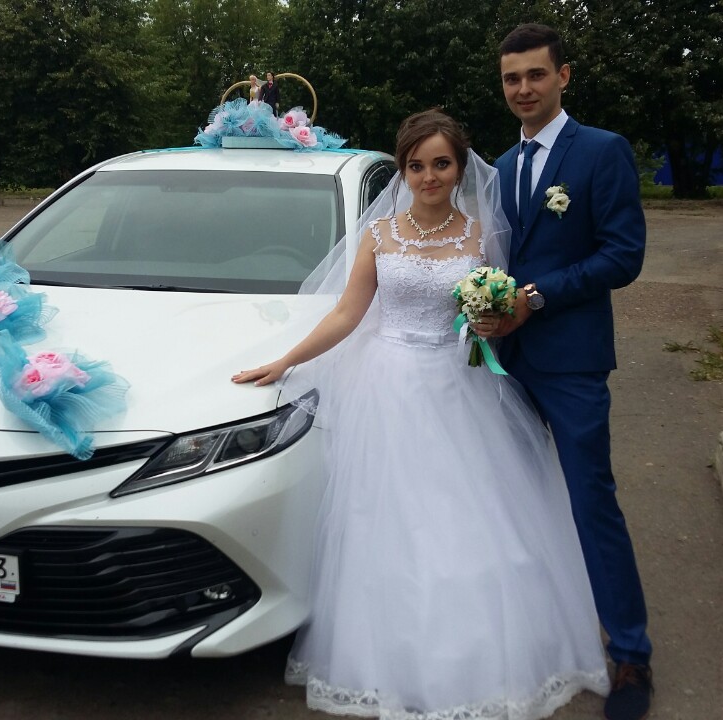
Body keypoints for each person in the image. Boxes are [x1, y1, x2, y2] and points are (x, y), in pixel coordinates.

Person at [233, 109, 609, 719]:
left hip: (461, 387)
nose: (429, 176)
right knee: (385, 522)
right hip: (388, 389)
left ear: (459, 168)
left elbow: (500, 309)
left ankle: (478, 655)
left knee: (469, 518)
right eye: (416, 165)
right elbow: (346, 314)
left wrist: (491, 317)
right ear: (403, 170)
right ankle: (390, 656)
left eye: (441, 164)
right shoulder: (379, 234)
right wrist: (284, 361)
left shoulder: (481, 236)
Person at [476, 23, 653, 720]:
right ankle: (539, 633)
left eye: (535, 75)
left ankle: (630, 653)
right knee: (513, 501)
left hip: (572, 362)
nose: (523, 88)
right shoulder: (499, 166)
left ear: (563, 76)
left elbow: (623, 255)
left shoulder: (602, 151)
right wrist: (485, 303)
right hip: (507, 363)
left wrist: (537, 296)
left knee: (590, 501)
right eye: (511, 78)